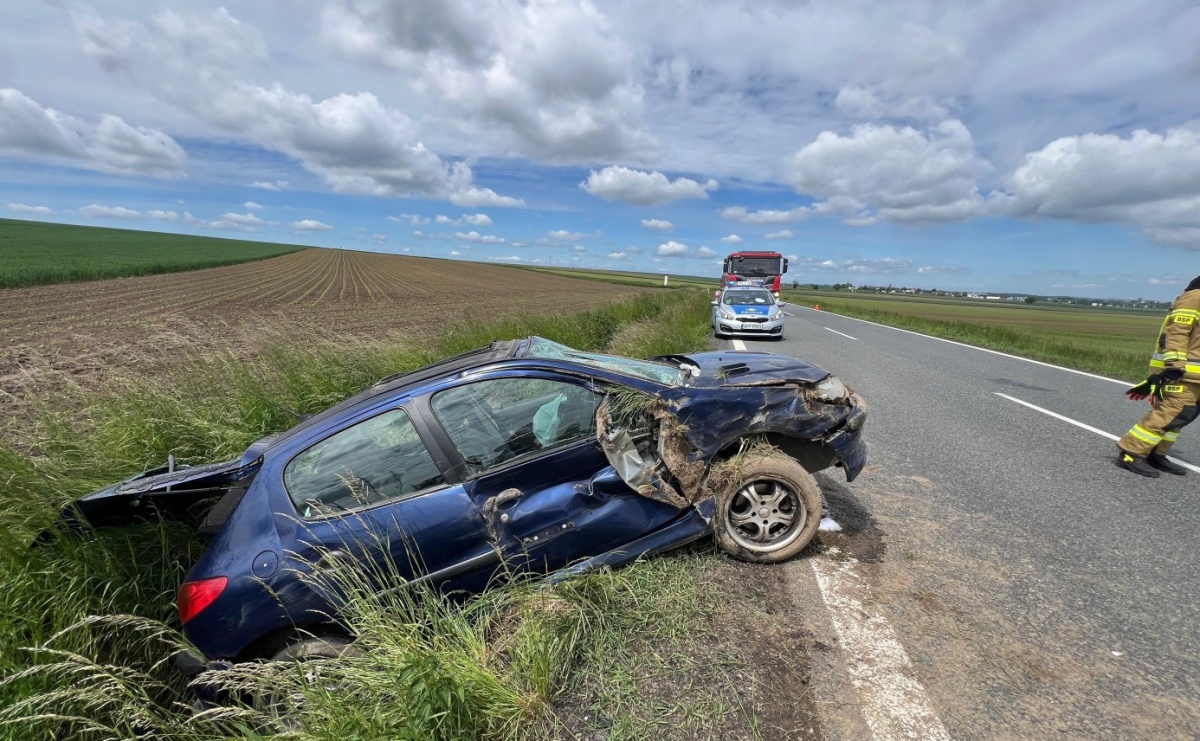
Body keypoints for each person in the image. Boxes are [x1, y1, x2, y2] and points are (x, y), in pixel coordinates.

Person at [1116, 275, 1200, 477]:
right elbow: (1176, 332)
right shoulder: (1195, 296)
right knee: (1170, 412)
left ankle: (1155, 453)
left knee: (1180, 417)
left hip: (1195, 376)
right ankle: (1131, 452)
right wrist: (1174, 365)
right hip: (1182, 373)